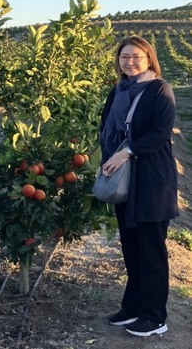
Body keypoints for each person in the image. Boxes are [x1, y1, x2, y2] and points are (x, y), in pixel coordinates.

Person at [99, 35, 178, 337]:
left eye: (136, 56)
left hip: (152, 180)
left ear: (148, 59)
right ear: (118, 61)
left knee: (151, 249)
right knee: (131, 246)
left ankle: (155, 316)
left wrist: (126, 152)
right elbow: (106, 127)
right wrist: (107, 159)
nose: (129, 61)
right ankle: (132, 306)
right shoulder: (118, 91)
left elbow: (160, 133)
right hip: (124, 179)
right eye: (124, 57)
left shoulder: (159, 89)